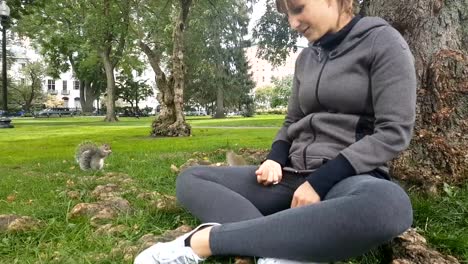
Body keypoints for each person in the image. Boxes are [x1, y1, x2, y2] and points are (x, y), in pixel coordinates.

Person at [134, 0, 417, 263]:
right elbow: (292, 120)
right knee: (192, 179)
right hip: (291, 177)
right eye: (287, 15)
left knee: (390, 205)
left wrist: (320, 183)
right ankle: (283, 248)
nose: (293, 23)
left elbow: (393, 131)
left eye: (298, 8)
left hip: (348, 180)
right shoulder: (306, 58)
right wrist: (274, 158)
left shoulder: (383, 42)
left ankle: (202, 241)